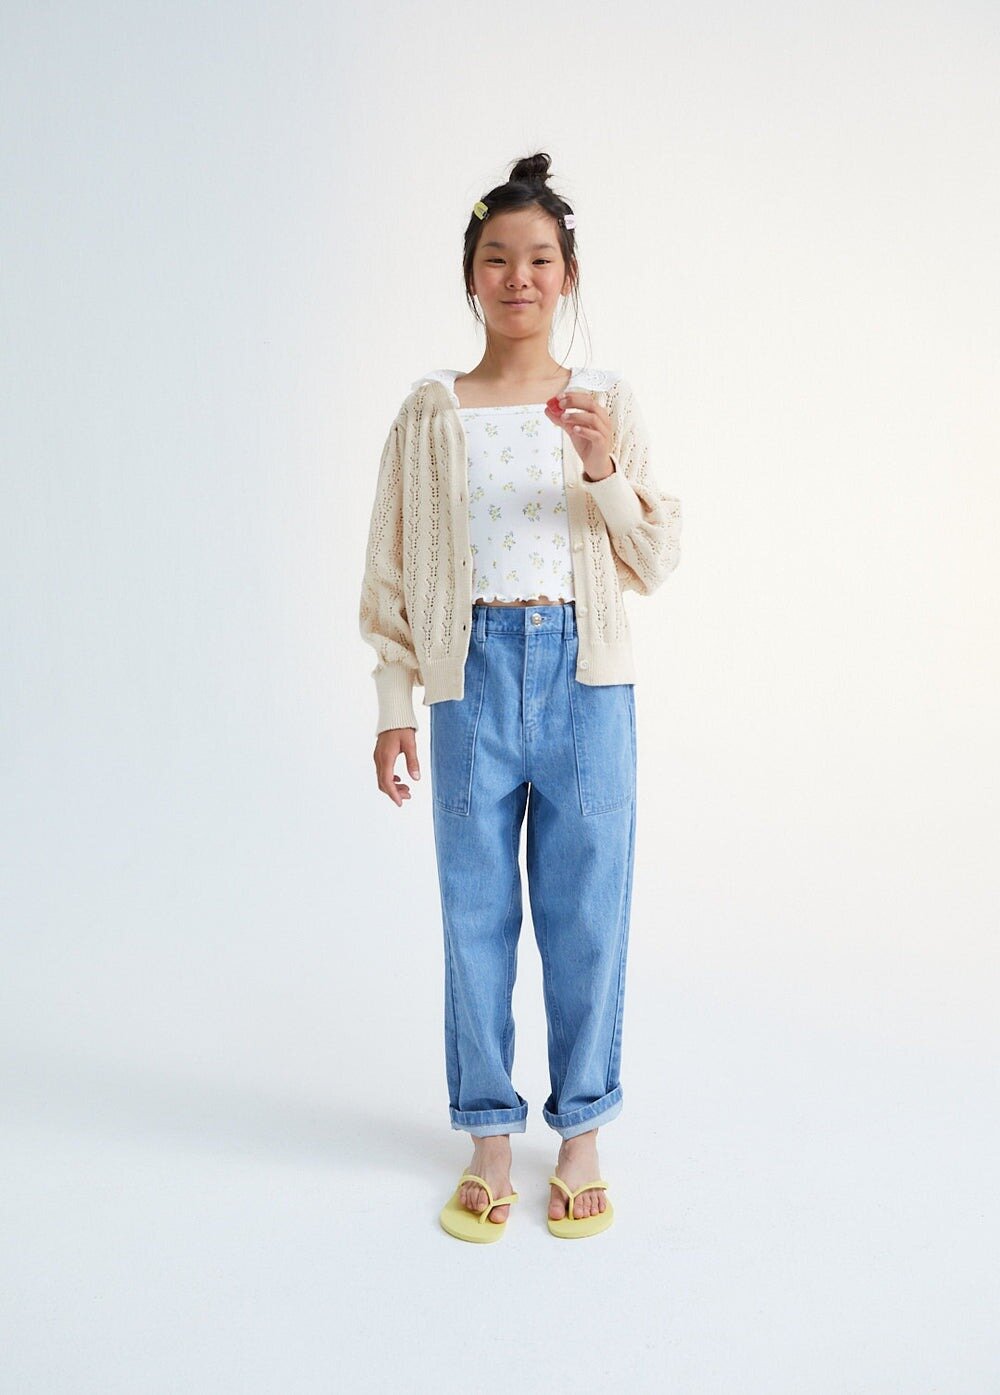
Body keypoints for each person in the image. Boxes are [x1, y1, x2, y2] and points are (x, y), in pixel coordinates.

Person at [358, 151, 682, 1242]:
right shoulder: (430, 412)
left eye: (539, 259)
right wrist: (394, 701)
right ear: (471, 275)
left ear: (568, 274)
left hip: (587, 678)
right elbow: (392, 569)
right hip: (471, 677)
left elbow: (654, 559)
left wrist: (601, 469)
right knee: (476, 914)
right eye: (496, 259)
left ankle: (581, 1131)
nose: (518, 278)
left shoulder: (605, 403)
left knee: (587, 915)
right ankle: (489, 1134)